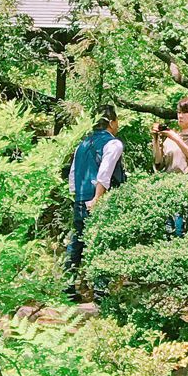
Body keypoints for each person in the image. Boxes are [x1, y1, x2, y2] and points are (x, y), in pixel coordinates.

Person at [67, 108, 124, 274]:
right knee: (101, 241)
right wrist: (97, 198)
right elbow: (104, 173)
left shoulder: (82, 144)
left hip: (80, 198)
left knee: (77, 241)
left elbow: (73, 173)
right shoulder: (113, 143)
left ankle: (68, 286)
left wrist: (77, 196)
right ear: (112, 123)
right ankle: (100, 292)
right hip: (99, 200)